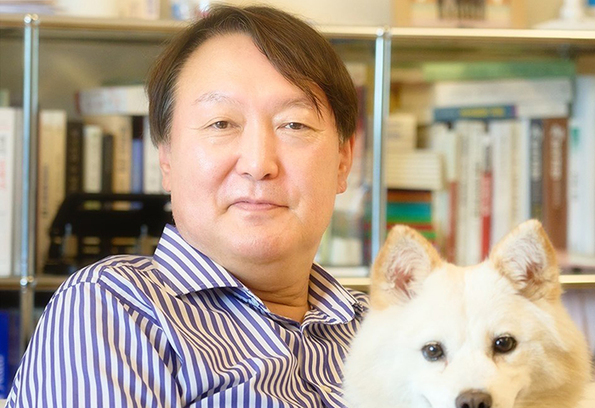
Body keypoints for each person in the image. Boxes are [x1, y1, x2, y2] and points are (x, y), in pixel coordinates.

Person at [6, 5, 368, 407]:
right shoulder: (113, 309)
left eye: (294, 124)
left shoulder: (387, 328)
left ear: (343, 161)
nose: (258, 164)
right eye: (221, 124)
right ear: (166, 159)